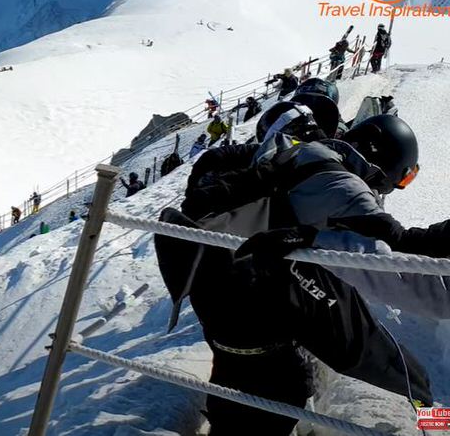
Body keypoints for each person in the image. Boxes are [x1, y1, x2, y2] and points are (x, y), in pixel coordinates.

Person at [158, 114, 446, 435]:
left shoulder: (302, 151)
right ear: (384, 161)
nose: (395, 187)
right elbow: (396, 270)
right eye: (402, 179)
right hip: (260, 315)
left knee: (241, 395)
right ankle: (434, 421)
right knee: (404, 374)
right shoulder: (344, 188)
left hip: (220, 304)